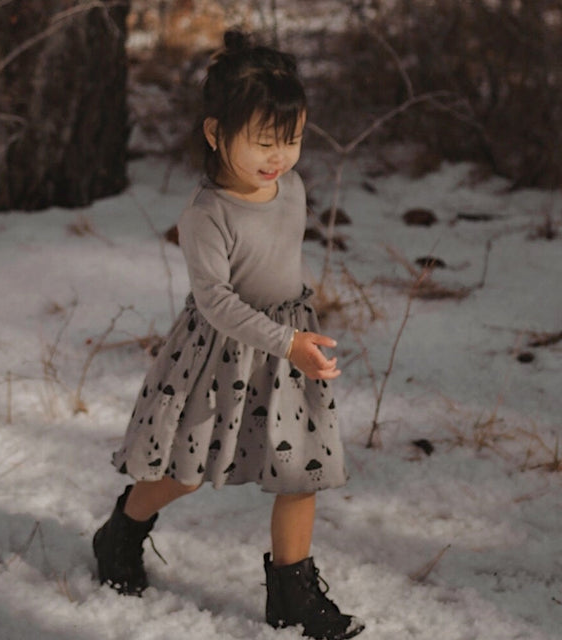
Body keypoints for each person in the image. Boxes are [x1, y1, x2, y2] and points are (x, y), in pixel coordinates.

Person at [93, 30, 365, 640]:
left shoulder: (289, 187)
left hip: (287, 347)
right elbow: (215, 301)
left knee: (305, 469)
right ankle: (122, 532)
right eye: (265, 143)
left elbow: (279, 262)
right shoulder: (206, 214)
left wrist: (297, 337)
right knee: (184, 471)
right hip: (218, 354)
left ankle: (292, 592)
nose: (280, 157)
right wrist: (284, 340)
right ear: (216, 133)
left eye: (292, 141)